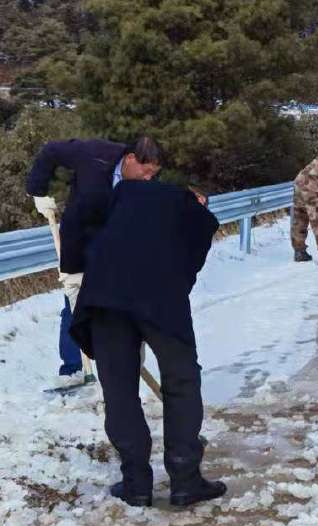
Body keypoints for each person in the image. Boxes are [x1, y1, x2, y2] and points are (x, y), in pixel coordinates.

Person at [69, 178, 224, 507]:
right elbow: (189, 268)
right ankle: (185, 480)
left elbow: (84, 223)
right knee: (181, 381)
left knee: (119, 389)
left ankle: (135, 484)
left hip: (103, 296)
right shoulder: (196, 213)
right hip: (159, 298)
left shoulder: (125, 193)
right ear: (198, 197)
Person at [25, 135, 163, 387]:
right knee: (75, 304)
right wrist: (37, 191)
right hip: (79, 243)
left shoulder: (145, 186)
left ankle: (122, 371)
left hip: (114, 251)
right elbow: (51, 149)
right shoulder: (95, 153)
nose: (148, 178)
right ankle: (73, 368)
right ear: (131, 159)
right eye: (146, 171)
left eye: (153, 174)